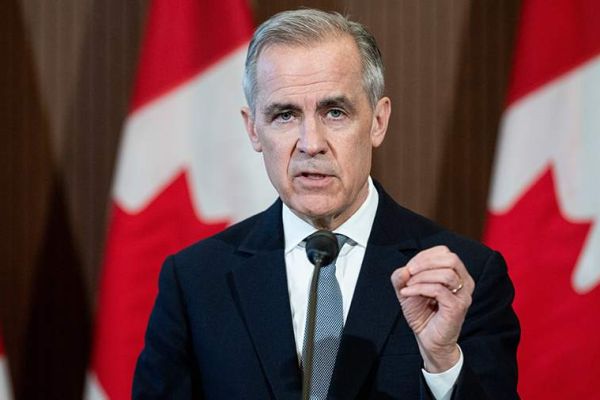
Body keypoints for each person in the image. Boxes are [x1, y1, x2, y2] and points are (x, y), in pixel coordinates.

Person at [132, 9, 519, 400]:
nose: (311, 143)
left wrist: (442, 361)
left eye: (335, 112)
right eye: (285, 115)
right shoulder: (196, 281)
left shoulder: (463, 279)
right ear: (253, 129)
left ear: (378, 121)